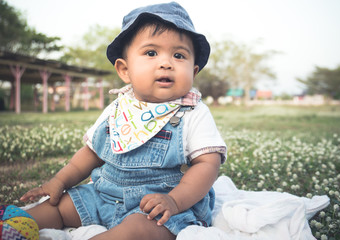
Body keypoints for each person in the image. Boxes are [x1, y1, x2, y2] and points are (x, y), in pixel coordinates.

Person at [20, 2, 226, 239]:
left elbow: (207, 164)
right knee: (56, 207)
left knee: (135, 231)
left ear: (194, 71)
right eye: (151, 53)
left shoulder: (192, 112)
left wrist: (174, 201)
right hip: (103, 196)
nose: (166, 63)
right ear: (124, 70)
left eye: (179, 55)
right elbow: (91, 154)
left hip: (160, 207)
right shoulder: (118, 107)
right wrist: (60, 180)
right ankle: (13, 226)